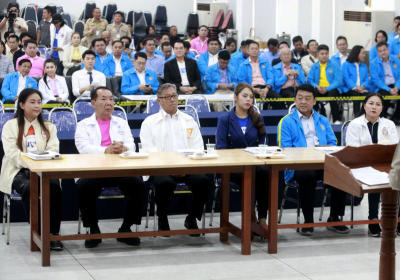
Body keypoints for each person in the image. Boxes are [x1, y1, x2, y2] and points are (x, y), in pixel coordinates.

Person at [75, 86, 145, 248]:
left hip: (119, 168)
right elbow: (83, 148)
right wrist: (105, 150)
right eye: (104, 99)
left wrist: (123, 148)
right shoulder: (83, 125)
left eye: (111, 99)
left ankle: (126, 228)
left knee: (138, 184)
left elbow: (131, 145)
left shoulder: (121, 122)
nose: (109, 103)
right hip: (94, 169)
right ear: (93, 103)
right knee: (84, 186)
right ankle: (93, 229)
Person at [140, 83, 213, 234]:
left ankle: (192, 217)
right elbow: (149, 151)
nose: (172, 100)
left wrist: (185, 166)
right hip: (161, 168)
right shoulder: (149, 122)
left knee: (204, 180)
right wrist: (170, 167)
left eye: (174, 96)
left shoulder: (188, 120)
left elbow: (198, 147)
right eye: (167, 97)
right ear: (159, 101)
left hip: (188, 167)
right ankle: (162, 217)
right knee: (164, 182)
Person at [277, 83, 349, 236]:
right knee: (307, 175)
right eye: (300, 98)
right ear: (295, 100)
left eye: (307, 98)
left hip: (322, 164)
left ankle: (335, 218)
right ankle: (308, 221)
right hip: (297, 166)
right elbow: (285, 149)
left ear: (314, 101)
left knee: (341, 173)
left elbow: (332, 144)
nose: (303, 102)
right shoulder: (286, 122)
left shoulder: (322, 120)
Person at [0, 88, 63, 250]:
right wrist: (31, 163)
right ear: (21, 105)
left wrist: (39, 164)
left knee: (55, 187)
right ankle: (40, 234)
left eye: (39, 102)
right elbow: (12, 154)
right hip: (18, 170)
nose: (37, 106)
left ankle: (53, 234)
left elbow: (54, 149)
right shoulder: (10, 126)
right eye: (32, 102)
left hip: (44, 169)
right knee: (30, 188)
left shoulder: (49, 126)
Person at [346, 92, 399, 237]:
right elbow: (353, 150)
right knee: (376, 180)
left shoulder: (389, 124)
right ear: (364, 105)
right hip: (362, 165)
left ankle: (397, 220)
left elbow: (394, 147)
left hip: (385, 164)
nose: (374, 107)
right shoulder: (355, 124)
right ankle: (373, 221)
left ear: (382, 108)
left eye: (378, 104)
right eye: (371, 103)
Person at [216, 83, 269, 226]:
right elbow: (220, 148)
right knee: (251, 176)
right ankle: (250, 219)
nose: (248, 100)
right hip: (233, 168)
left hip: (254, 165)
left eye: (251, 97)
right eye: (244, 96)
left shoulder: (257, 118)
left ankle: (262, 217)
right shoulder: (225, 119)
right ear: (235, 97)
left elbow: (264, 142)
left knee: (264, 173)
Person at [307, 44, 343, 124]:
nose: (324, 56)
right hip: (318, 89)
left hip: (330, 89)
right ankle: (314, 119)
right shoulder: (314, 66)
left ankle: (336, 119)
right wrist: (317, 86)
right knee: (313, 94)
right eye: (322, 54)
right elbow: (309, 80)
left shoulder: (334, 65)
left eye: (326, 53)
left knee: (333, 94)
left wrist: (327, 88)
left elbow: (339, 80)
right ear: (318, 55)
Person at [369, 42, 400, 123]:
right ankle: (383, 118)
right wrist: (389, 90)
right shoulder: (373, 63)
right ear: (378, 52)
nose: (383, 52)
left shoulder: (396, 60)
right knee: (382, 96)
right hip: (382, 86)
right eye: (380, 51)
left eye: (384, 50)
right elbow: (376, 80)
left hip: (396, 85)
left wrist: (397, 87)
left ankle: (396, 118)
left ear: (388, 49)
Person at [342, 45, 370, 115]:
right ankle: (357, 116)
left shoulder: (364, 66)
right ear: (357, 53)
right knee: (356, 96)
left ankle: (363, 115)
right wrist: (355, 87)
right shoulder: (346, 64)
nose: (365, 55)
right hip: (349, 89)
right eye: (363, 53)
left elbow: (367, 79)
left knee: (370, 97)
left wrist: (363, 86)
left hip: (362, 89)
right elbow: (346, 78)